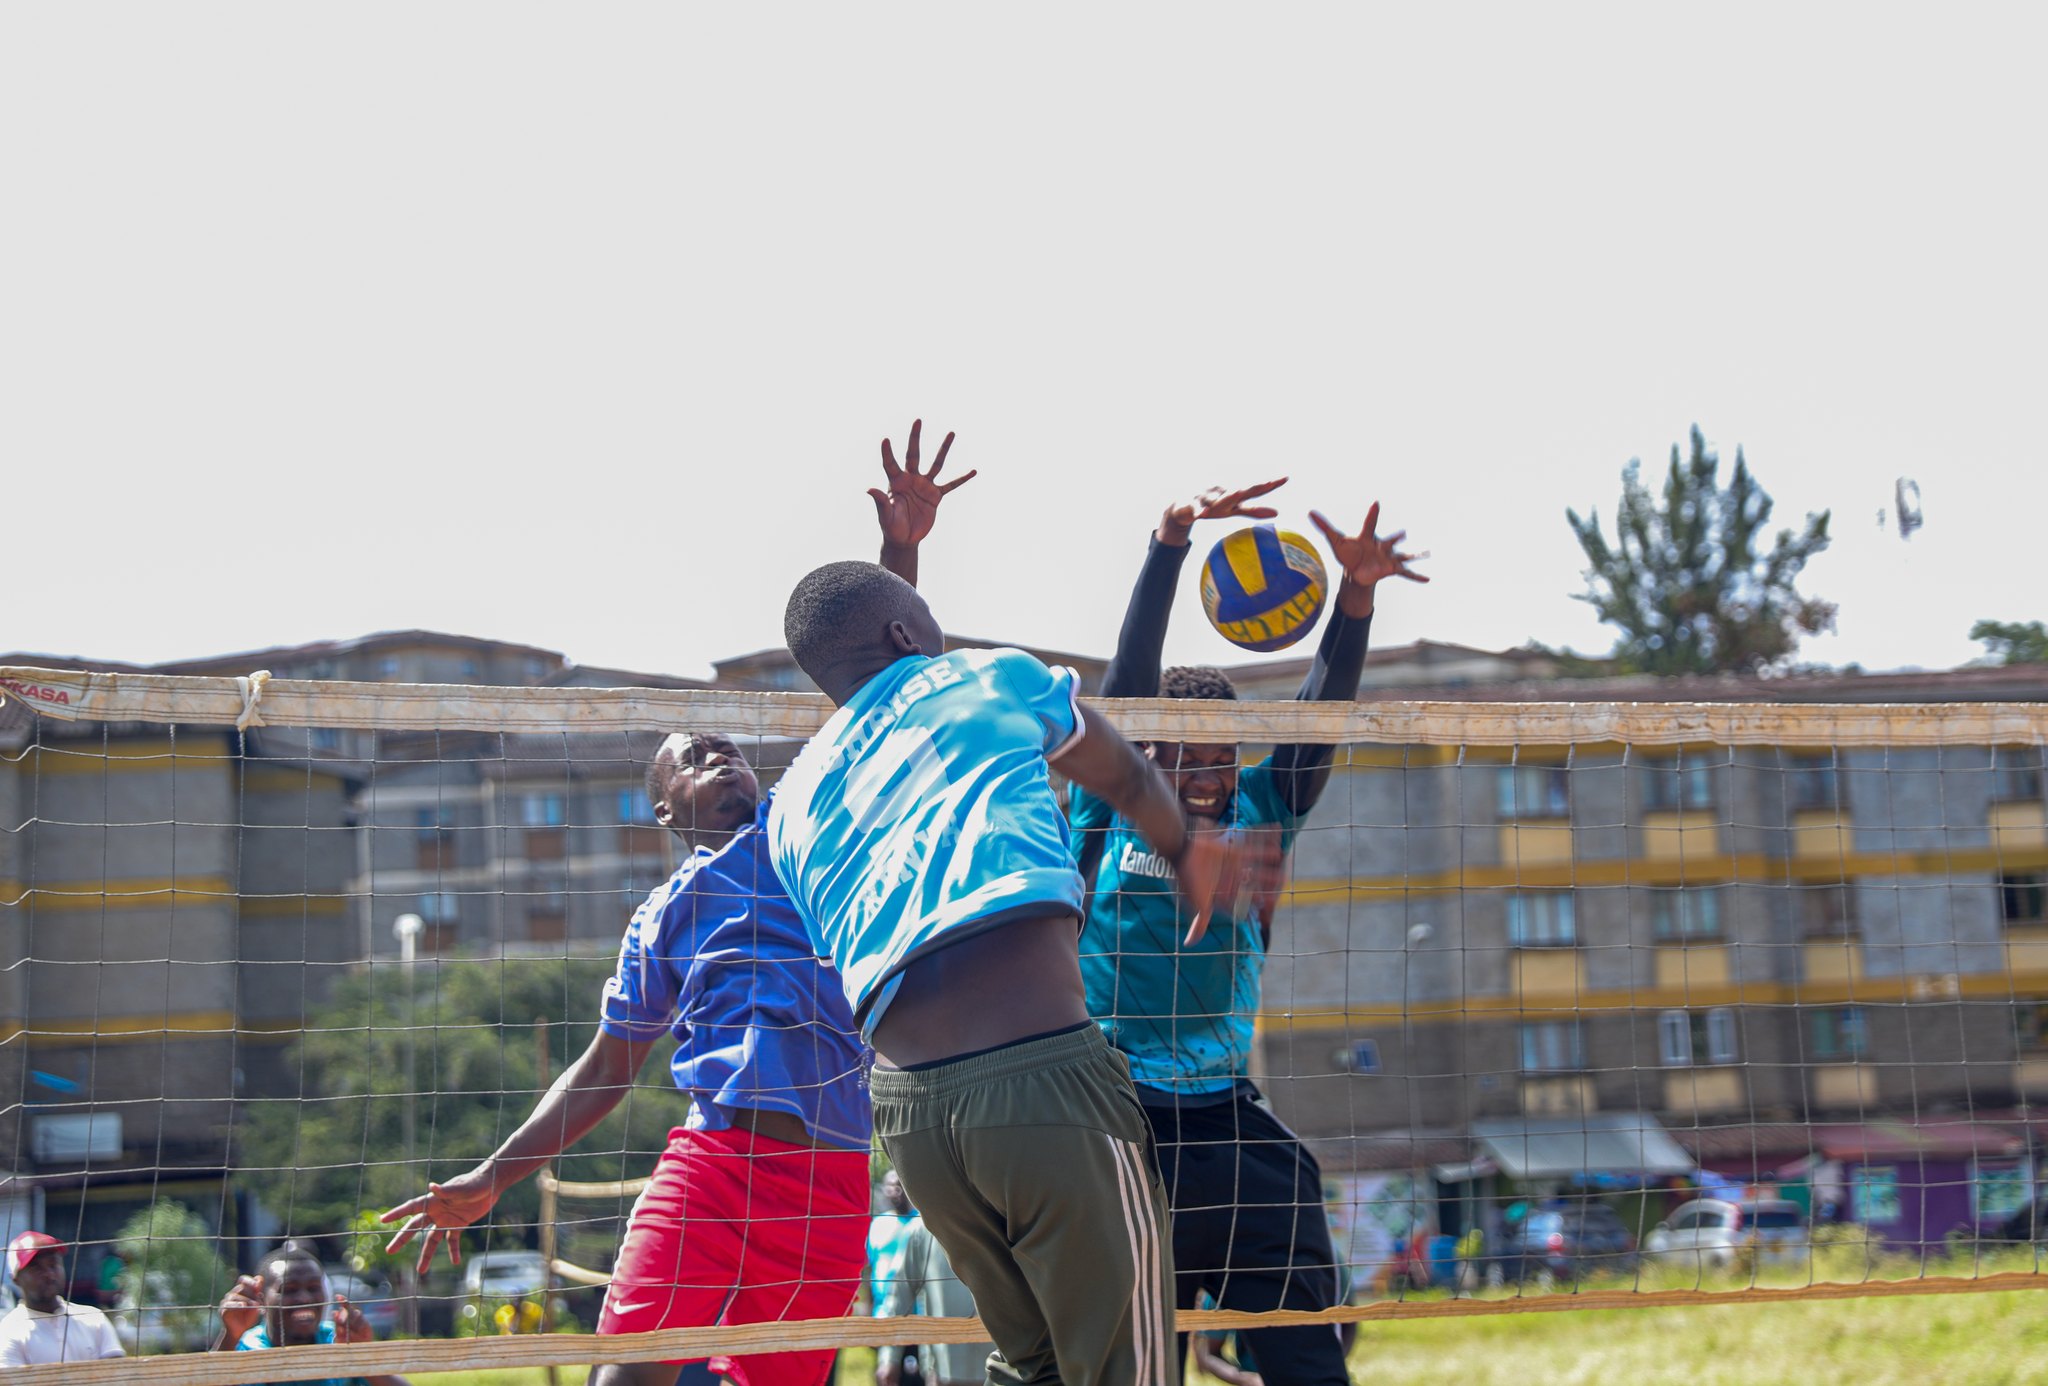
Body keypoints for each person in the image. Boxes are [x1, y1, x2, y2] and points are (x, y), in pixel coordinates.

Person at [769, 422, 1281, 1386]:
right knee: (1130, 1369)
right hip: (1042, 1083)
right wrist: (1186, 848)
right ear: (909, 633)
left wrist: (897, 560)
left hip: (913, 1121)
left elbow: (888, 712)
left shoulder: (793, 805)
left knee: (1033, 1365)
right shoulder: (985, 675)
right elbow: (1118, 767)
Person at [382, 725, 873, 1386]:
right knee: (626, 1374)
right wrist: (495, 1176)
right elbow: (605, 1070)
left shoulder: (801, 835)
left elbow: (852, 735)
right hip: (715, 1169)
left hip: (831, 1182)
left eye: (730, 753)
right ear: (664, 809)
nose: (720, 760)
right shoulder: (660, 916)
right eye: (695, 760)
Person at [1073, 479, 1426, 1386]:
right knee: (1130, 1360)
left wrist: (1354, 599)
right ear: (1146, 755)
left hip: (1227, 1116)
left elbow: (1319, 715)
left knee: (1305, 1332)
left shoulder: (1263, 805)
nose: (1205, 774)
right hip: (1116, 1118)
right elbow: (1124, 690)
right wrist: (1169, 544)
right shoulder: (1108, 806)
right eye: (1182, 755)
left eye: (1221, 755)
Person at [212, 1241, 407, 1386]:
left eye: (313, 1288)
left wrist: (363, 1356)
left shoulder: (339, 1341)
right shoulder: (246, 1348)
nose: (304, 1298)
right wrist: (230, 1334)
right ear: (261, 1300)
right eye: (289, 1289)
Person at [876, 1214, 996, 1386]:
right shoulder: (921, 1228)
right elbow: (900, 1294)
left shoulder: (1003, 1219)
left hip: (1003, 1369)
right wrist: (889, 1357)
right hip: (941, 1371)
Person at [0, 1231, 124, 1366]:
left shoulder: (93, 1318)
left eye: (53, 1264)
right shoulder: (9, 1330)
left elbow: (118, 1372)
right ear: (16, 1279)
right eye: (36, 1268)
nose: (49, 1274)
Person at [868, 1170, 921, 1384]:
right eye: (890, 1186)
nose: (895, 1191)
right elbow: (870, 1271)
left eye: (899, 1185)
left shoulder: (921, 1224)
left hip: (917, 1319)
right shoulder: (878, 1225)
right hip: (883, 1317)